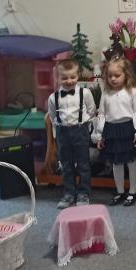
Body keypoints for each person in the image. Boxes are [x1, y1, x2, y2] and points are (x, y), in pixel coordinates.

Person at [92, 56, 136, 207]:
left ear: (126, 75)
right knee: (116, 162)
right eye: (110, 76)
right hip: (111, 130)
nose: (113, 79)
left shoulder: (133, 92)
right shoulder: (106, 93)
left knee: (131, 161)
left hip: (128, 129)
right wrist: (99, 135)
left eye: (117, 75)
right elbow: (102, 114)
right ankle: (119, 191)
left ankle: (133, 191)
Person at [47, 58, 96, 208]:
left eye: (72, 77)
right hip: (63, 132)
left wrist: (85, 125)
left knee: (83, 164)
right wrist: (57, 132)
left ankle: (83, 193)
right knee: (66, 164)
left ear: (78, 75)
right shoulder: (53, 97)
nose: (69, 81)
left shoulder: (85, 93)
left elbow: (91, 110)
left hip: (80, 130)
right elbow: (52, 115)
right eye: (64, 78)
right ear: (58, 78)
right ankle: (68, 193)